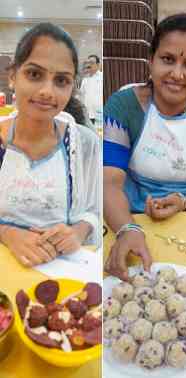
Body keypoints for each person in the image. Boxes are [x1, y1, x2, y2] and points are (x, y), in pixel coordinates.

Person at [103, 13, 186, 281]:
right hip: (126, 215)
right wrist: (127, 228)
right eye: (167, 59)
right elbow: (109, 182)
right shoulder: (124, 106)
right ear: (150, 61)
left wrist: (184, 202)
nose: (177, 73)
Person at [0, 23, 101, 267]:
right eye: (34, 74)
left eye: (61, 81)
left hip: (66, 271)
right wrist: (8, 234)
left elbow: (96, 210)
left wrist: (79, 231)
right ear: (13, 76)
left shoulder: (84, 144)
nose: (47, 91)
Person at [80, 54, 103, 126]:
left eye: (92, 62)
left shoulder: (102, 77)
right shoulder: (85, 79)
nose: (89, 65)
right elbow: (81, 95)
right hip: (87, 115)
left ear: (98, 65)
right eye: (88, 62)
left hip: (99, 115)